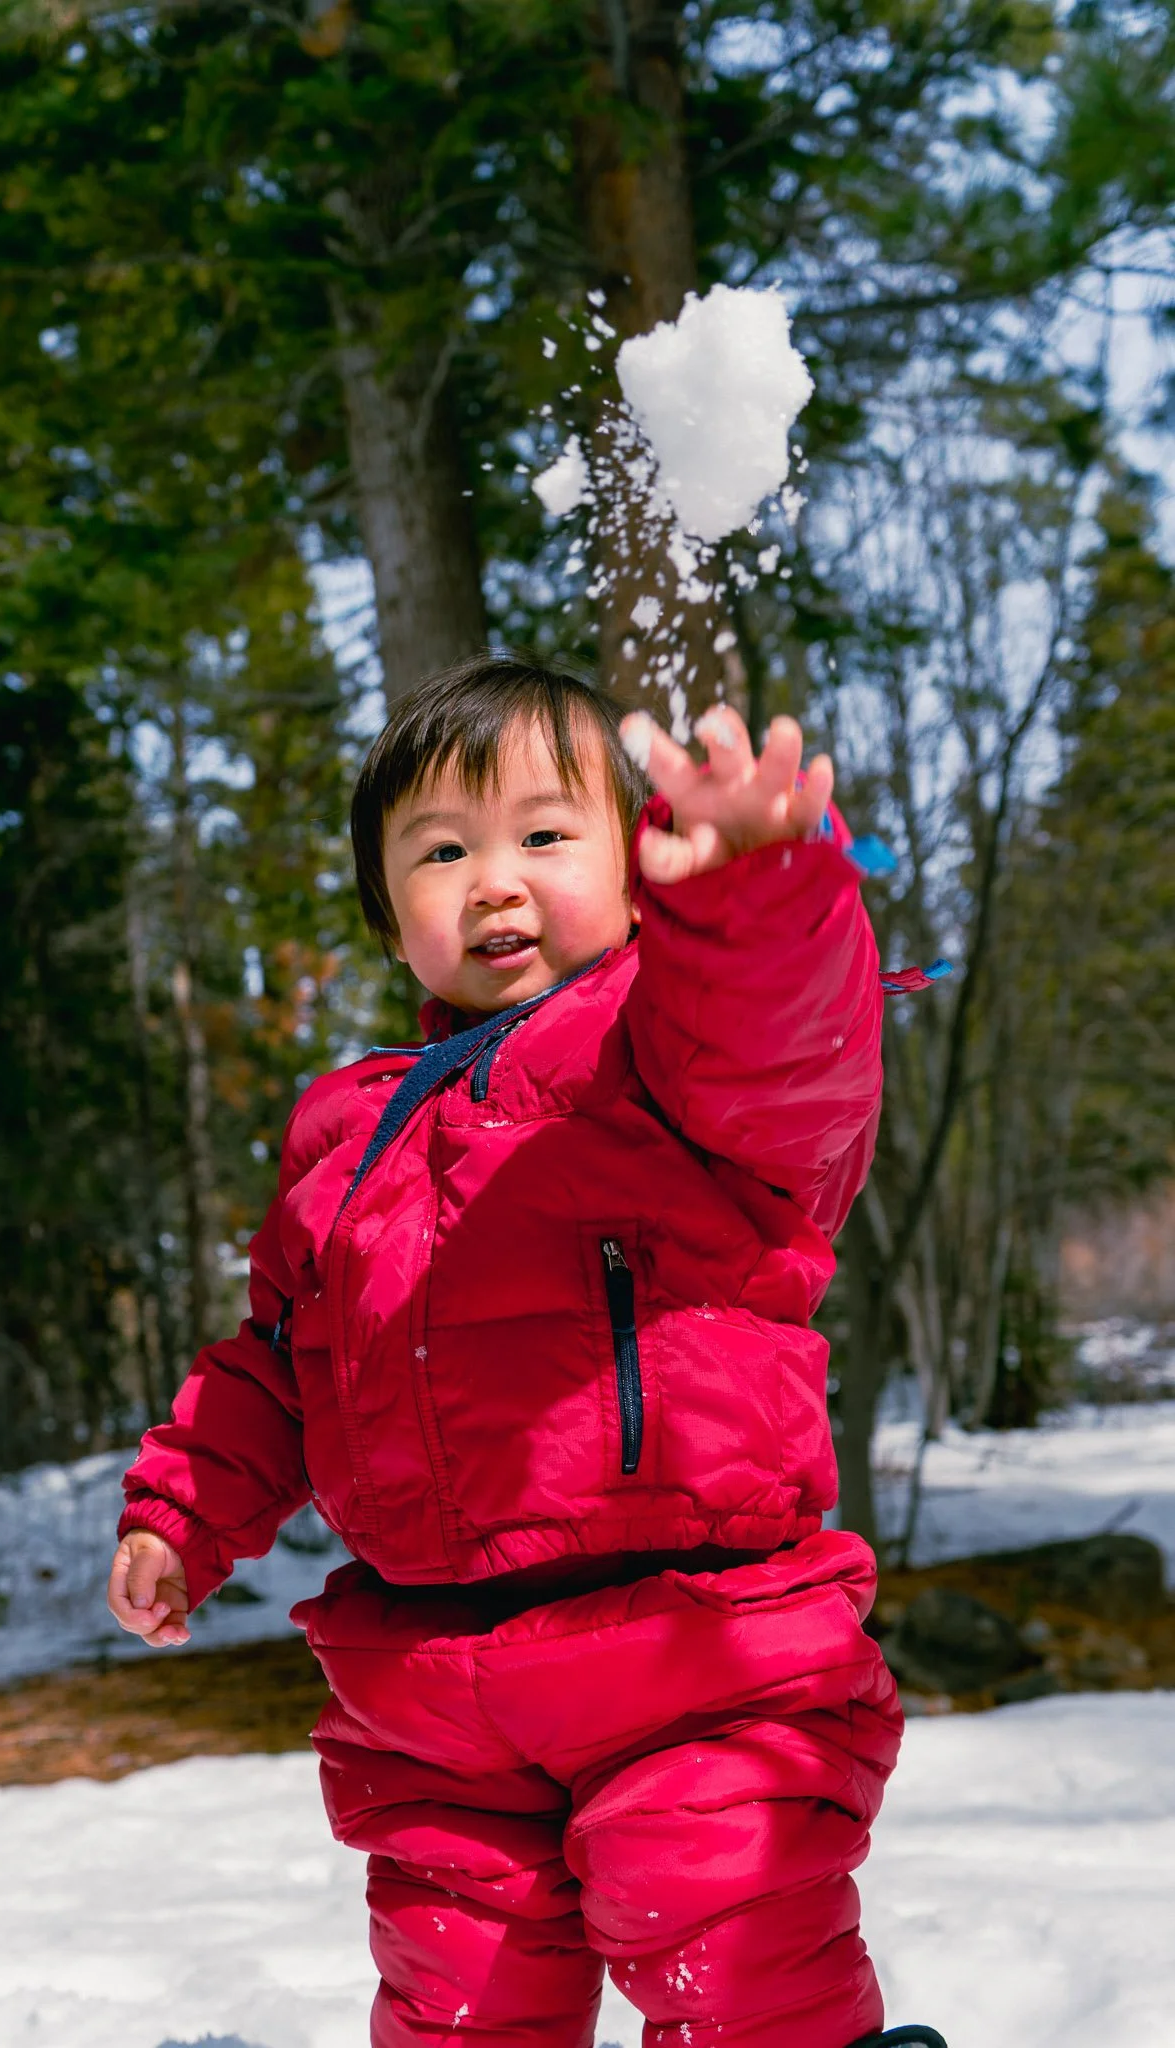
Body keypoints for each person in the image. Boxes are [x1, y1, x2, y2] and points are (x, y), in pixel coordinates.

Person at [107, 653, 947, 2048]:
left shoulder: (671, 1053)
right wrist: (183, 1512)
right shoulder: (345, 1137)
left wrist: (748, 891)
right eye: (442, 851)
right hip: (433, 1690)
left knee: (735, 1965)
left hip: (697, 1654)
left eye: (546, 836)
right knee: (457, 2004)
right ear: (390, 917)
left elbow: (783, 1032)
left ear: (637, 870)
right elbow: (269, 1362)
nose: (494, 880)